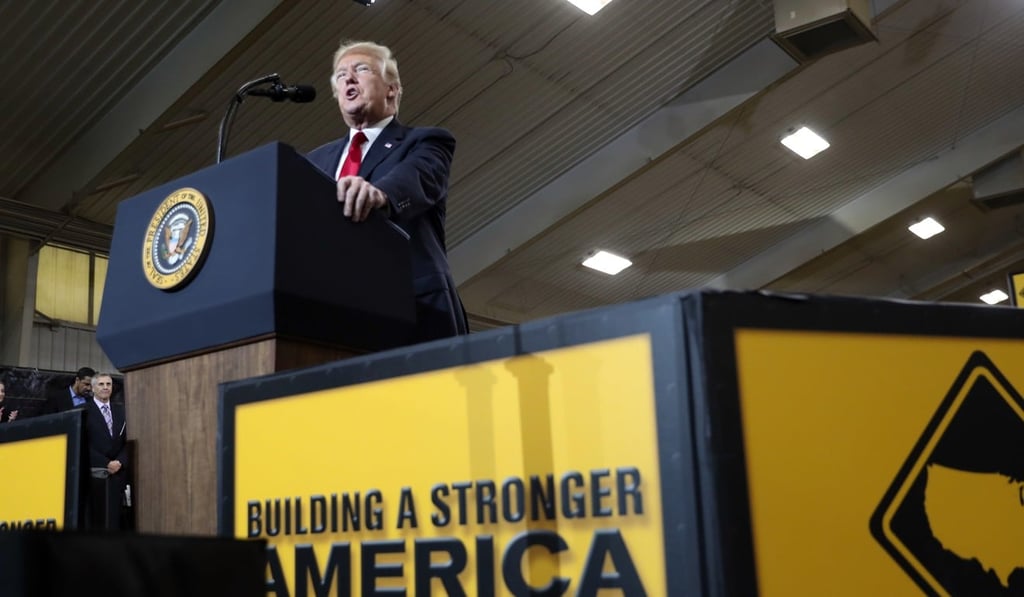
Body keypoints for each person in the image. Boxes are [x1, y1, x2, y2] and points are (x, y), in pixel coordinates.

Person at [307, 40, 469, 343]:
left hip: (412, 308)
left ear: (392, 89)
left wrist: (379, 194)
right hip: (331, 314)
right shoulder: (313, 162)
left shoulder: (427, 141)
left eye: (361, 69)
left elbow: (418, 177)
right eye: (341, 76)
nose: (349, 79)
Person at [83, 372, 127, 530]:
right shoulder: (83, 411)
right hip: (93, 475)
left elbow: (128, 441)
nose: (105, 387)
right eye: (101, 384)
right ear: (93, 388)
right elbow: (82, 442)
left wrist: (120, 462)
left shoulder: (122, 411)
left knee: (113, 521)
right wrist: (106, 463)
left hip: (117, 475)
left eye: (108, 384)